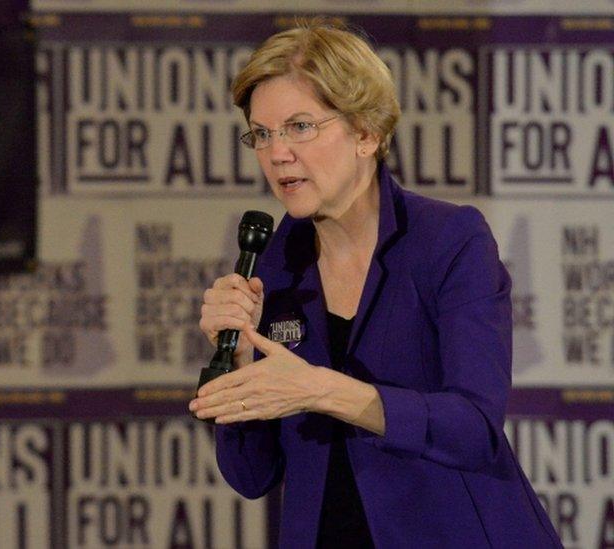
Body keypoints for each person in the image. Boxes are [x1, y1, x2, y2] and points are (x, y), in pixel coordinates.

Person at [187, 22, 561, 548]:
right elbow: (251, 476)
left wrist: (321, 388)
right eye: (262, 133)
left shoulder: (449, 240)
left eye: (299, 126)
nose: (276, 154)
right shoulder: (274, 263)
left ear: (366, 132)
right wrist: (242, 369)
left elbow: (474, 428)